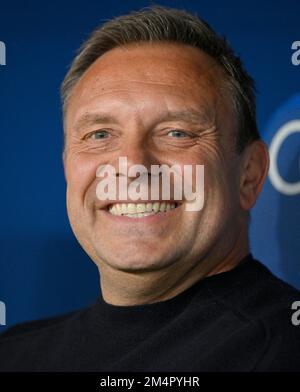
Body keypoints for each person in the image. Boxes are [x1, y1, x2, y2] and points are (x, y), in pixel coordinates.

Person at [0, 6, 299, 372]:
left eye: (177, 132)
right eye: (100, 135)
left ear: (249, 175)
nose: (133, 166)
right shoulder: (15, 354)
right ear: (67, 167)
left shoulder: (283, 349)